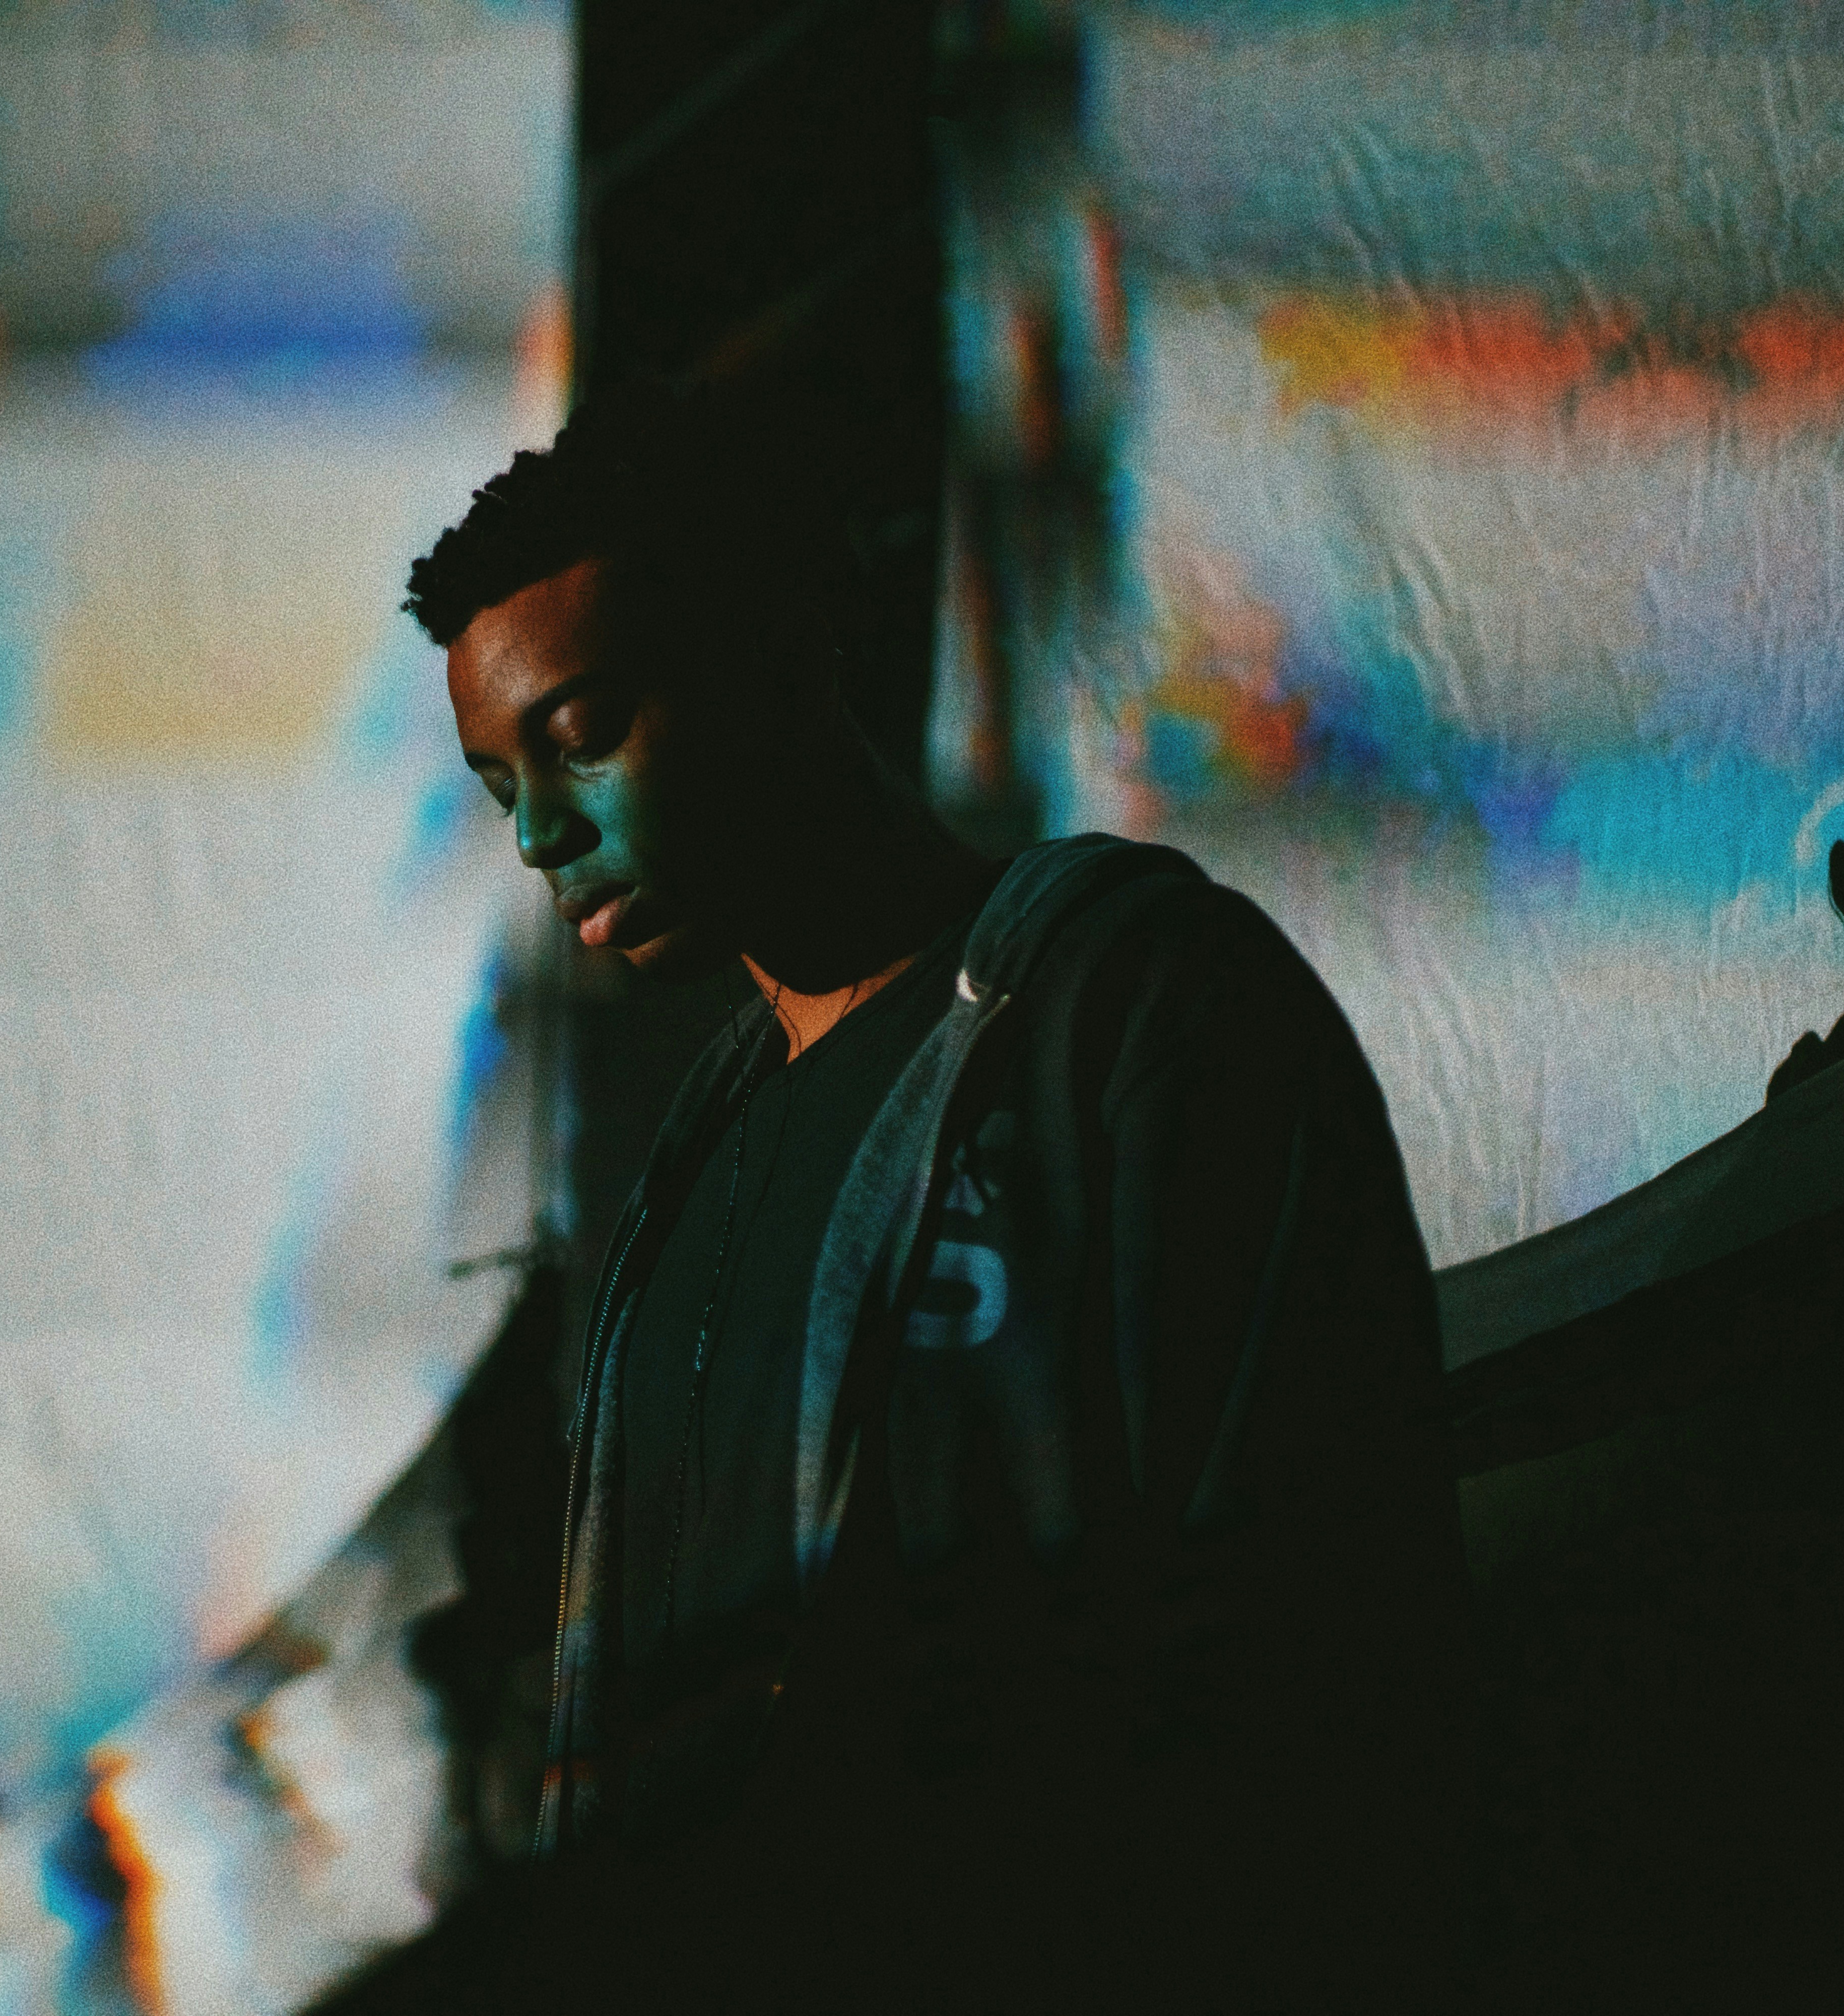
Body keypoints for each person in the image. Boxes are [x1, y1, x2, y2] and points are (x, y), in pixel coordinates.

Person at [338, 385, 1481, 2012]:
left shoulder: (1130, 1008)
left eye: (584, 732)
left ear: (779, 648)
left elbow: (1318, 1635)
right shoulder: (687, 1186)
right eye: (497, 778)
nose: (539, 831)